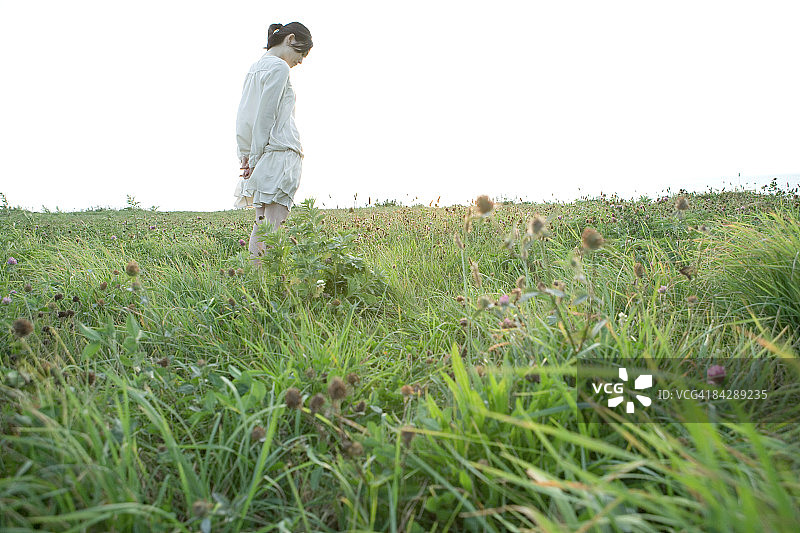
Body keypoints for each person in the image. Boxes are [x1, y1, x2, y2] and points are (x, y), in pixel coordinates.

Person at [234, 22, 312, 265]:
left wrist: (246, 155)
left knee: (262, 226)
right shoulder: (279, 68)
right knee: (272, 229)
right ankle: (263, 286)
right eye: (301, 53)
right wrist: (253, 158)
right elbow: (265, 117)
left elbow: (245, 116)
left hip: (263, 154)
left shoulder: (255, 68)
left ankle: (255, 283)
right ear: (290, 39)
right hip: (280, 152)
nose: (300, 61)